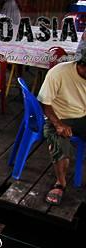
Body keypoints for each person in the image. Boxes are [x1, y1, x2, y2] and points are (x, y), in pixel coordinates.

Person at [39, 43, 86, 205]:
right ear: (81, 65)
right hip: (59, 116)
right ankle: (60, 183)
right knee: (58, 145)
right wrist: (58, 124)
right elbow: (45, 103)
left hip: (83, 115)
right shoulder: (59, 73)